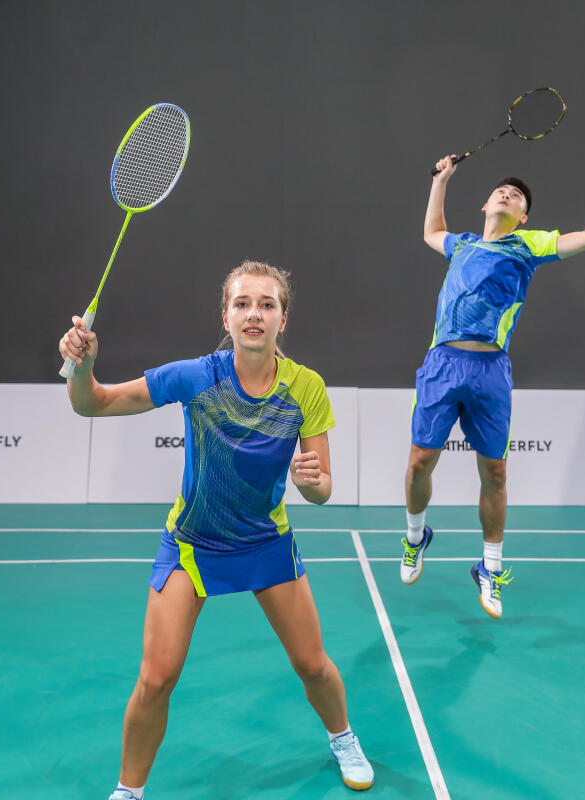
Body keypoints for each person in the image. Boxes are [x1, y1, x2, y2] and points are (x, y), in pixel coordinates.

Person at [59, 260, 374, 798]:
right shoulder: (196, 376)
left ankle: (342, 736)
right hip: (192, 544)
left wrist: (312, 481)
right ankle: (129, 790)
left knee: (312, 665)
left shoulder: (306, 388)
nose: (254, 313)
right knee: (155, 679)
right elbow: (95, 404)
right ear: (225, 317)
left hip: (264, 542)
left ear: (282, 319)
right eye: (242, 303)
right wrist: (83, 368)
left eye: (267, 304)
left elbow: (322, 489)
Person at [401, 150, 585, 618]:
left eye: (517, 196)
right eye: (501, 191)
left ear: (523, 217)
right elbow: (431, 231)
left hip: (490, 372)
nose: (507, 194)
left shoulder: (527, 246)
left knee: (495, 473)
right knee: (420, 463)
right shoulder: (462, 246)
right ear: (486, 206)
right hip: (442, 364)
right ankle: (416, 536)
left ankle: (490, 568)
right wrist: (440, 180)